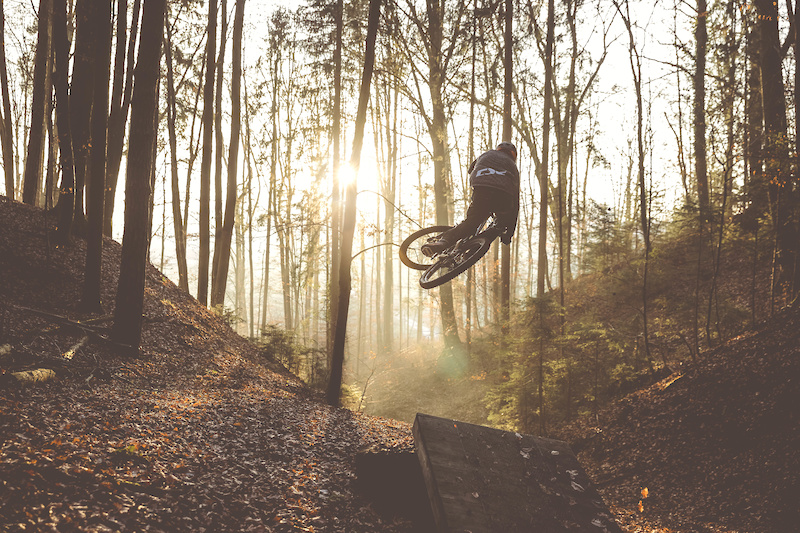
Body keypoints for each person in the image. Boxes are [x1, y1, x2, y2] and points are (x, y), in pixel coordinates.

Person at [422, 141, 520, 257]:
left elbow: (470, 169)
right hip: (504, 198)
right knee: (499, 226)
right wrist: (509, 234)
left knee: (472, 222)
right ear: (513, 155)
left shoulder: (486, 154)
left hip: (482, 190)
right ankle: (472, 251)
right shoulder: (513, 167)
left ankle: (443, 242)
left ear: (498, 149)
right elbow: (516, 201)